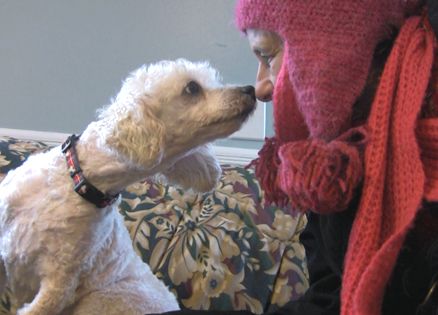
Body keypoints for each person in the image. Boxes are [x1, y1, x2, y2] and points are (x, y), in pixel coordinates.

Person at [153, 0, 438, 314]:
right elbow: (329, 301)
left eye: (268, 55)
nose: (261, 87)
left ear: (333, 48)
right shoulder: (336, 167)